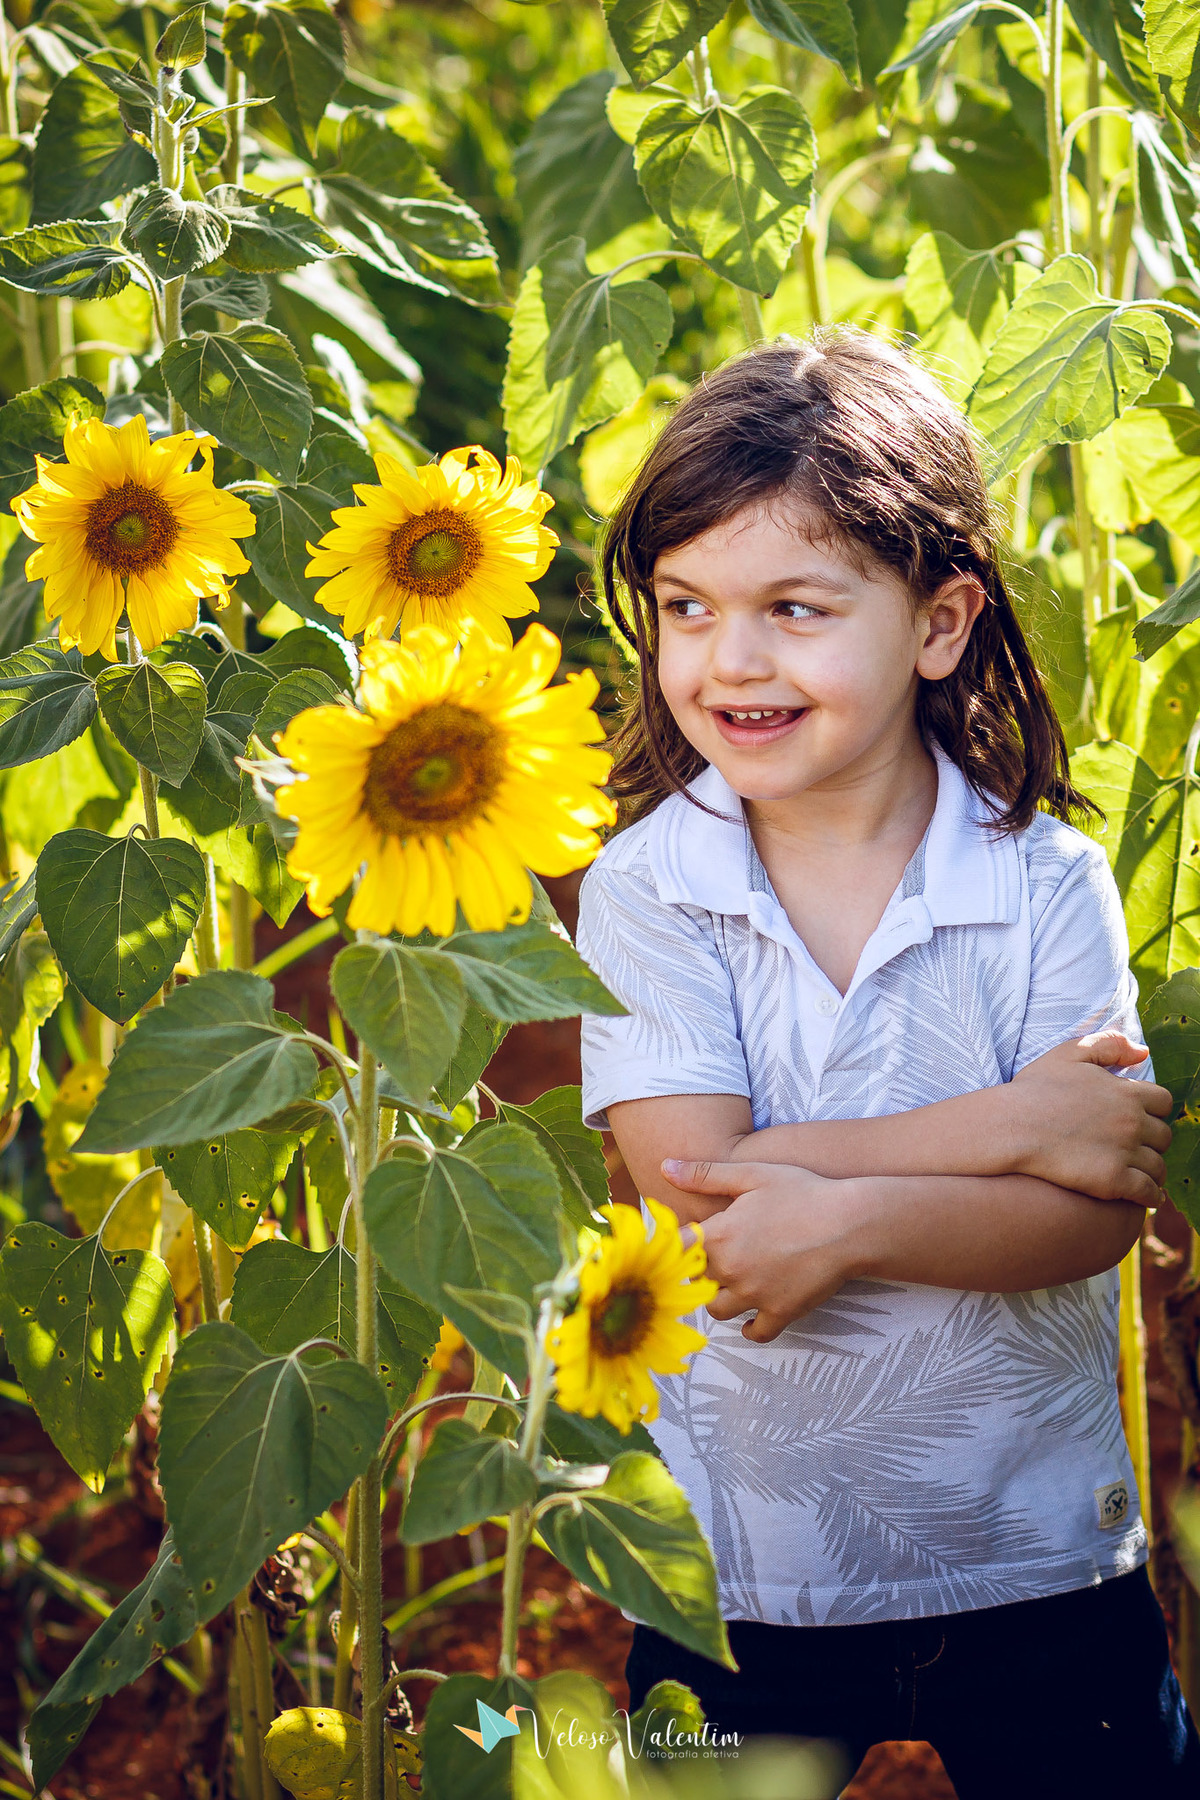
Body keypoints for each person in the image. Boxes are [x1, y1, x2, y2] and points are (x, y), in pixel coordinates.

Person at [574, 330, 1200, 1798]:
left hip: (1038, 1547)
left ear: (939, 620)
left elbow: (1090, 1215)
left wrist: (843, 1215)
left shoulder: (1050, 883)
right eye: (685, 608)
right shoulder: (648, 890)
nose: (729, 661)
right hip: (739, 1561)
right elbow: (696, 1199)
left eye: (796, 608)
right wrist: (1011, 1124)